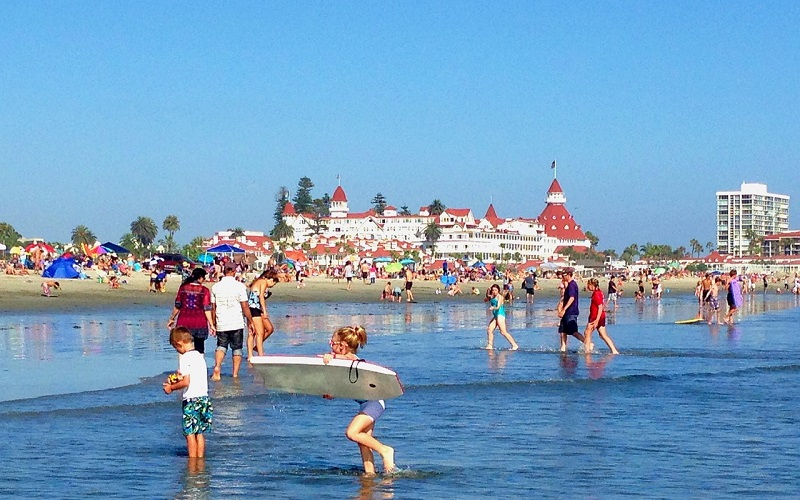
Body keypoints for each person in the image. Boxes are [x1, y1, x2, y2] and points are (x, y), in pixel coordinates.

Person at [322, 325, 395, 474]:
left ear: (342, 346)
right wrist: (332, 393)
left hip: (374, 402)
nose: (330, 347)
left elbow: (348, 358)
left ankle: (385, 450)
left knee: (352, 433)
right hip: (367, 403)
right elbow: (347, 384)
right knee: (363, 443)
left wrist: (331, 357)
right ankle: (370, 475)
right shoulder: (344, 363)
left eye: (332, 343)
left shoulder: (351, 360)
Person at [163, 327, 213, 458]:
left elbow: (186, 382)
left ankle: (192, 462)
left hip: (191, 399)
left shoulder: (185, 358)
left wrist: (171, 388)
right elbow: (191, 376)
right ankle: (200, 460)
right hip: (204, 398)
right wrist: (176, 378)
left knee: (189, 433)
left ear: (179, 344)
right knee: (200, 432)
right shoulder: (199, 356)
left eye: (176, 348)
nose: (178, 351)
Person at [210, 262, 254, 380]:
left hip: (221, 321)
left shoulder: (216, 287)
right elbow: (244, 306)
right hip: (236, 322)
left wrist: (213, 323)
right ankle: (235, 374)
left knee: (221, 345)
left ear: (224, 271)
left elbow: (213, 308)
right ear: (234, 272)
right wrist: (250, 321)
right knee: (237, 348)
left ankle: (217, 367)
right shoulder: (240, 286)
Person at [167, 268, 215, 354]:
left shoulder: (183, 288)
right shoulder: (204, 290)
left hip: (184, 322)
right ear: (200, 278)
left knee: (183, 348)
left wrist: (172, 318)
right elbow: (207, 309)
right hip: (199, 323)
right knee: (200, 348)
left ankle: (183, 367)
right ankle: (199, 367)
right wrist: (211, 325)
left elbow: (178, 305)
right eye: (204, 278)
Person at [246, 269, 279, 359]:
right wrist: (264, 311)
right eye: (273, 283)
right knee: (258, 333)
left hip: (256, 308)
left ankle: (256, 348)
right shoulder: (263, 282)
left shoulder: (259, 281)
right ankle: (259, 355)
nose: (272, 286)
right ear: (271, 279)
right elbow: (261, 297)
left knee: (269, 328)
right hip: (253, 308)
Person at [583, 278, 619, 354]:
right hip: (599, 316)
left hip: (596, 317)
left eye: (588, 285)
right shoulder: (598, 292)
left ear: (592, 285)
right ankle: (614, 350)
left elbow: (600, 307)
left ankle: (587, 350)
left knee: (587, 332)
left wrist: (596, 320)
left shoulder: (597, 294)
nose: (587, 287)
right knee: (603, 335)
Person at [557, 268, 585, 352]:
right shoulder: (568, 285)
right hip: (567, 312)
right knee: (563, 331)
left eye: (564, 275)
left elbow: (572, 298)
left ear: (569, 275)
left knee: (573, 331)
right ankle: (563, 348)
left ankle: (587, 343)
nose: (562, 276)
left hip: (571, 311)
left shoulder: (572, 285)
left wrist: (564, 309)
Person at [484, 284, 519, 350]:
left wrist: (493, 307)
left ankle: (514, 345)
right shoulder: (491, 297)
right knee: (489, 330)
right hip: (495, 316)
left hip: (500, 315)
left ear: (498, 290)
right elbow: (485, 299)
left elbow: (498, 307)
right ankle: (490, 345)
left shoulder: (500, 297)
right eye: (493, 290)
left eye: (495, 290)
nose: (494, 291)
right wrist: (487, 292)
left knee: (503, 332)